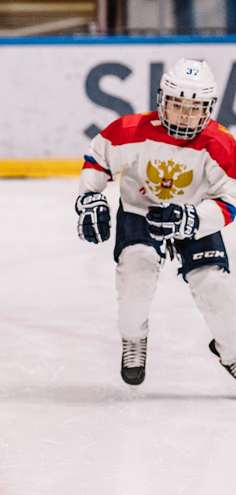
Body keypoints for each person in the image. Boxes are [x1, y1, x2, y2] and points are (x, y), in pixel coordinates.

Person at [75, 58, 236, 385]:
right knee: (137, 272)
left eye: (194, 109)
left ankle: (232, 352)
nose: (183, 116)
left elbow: (231, 201)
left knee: (215, 287)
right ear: (162, 100)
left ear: (208, 110)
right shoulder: (132, 130)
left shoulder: (220, 144)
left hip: (193, 217)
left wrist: (192, 220)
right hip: (140, 212)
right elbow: (98, 157)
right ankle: (134, 338)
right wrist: (89, 197)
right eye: (177, 105)